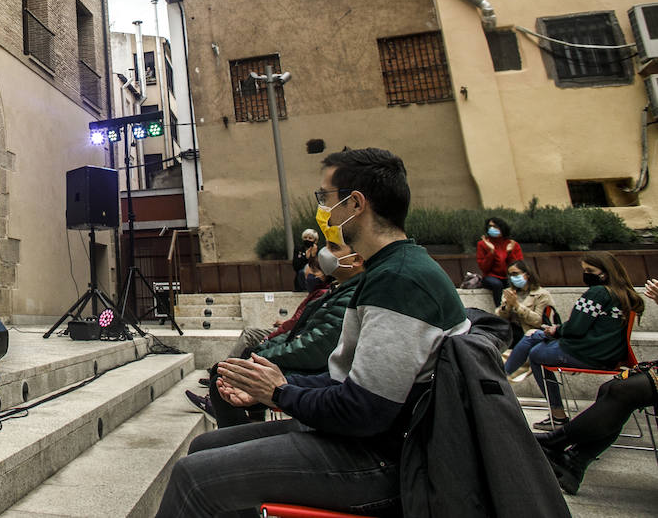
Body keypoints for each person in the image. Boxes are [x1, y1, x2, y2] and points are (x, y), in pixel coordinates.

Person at [155, 148, 470, 518]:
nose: (321, 210)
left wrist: (280, 393)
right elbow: (347, 379)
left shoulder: (400, 281)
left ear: (355, 204)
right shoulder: (385, 272)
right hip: (367, 441)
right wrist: (275, 386)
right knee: (206, 447)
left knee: (193, 476)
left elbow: (365, 410)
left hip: (387, 461)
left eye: (325, 198)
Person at [187, 238, 365, 427]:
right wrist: (265, 349)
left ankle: (240, 433)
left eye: (333, 247)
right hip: (310, 369)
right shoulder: (336, 291)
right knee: (227, 371)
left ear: (356, 260)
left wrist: (265, 357)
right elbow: (297, 330)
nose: (324, 252)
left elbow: (315, 346)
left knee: (225, 377)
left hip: (313, 371)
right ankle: (244, 428)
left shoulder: (349, 294)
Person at [536, 278, 658, 494]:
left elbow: (576, 327)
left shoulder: (601, 294)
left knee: (622, 390)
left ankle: (555, 443)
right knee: (610, 389)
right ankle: (575, 461)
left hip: (591, 352)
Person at [503, 251, 645, 430]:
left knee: (536, 352)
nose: (586, 274)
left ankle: (553, 411)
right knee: (534, 336)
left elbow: (575, 329)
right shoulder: (625, 294)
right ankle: (504, 375)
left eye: (589, 270)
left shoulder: (597, 293)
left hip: (589, 353)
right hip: (608, 353)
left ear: (606, 272)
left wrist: (556, 329)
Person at [497, 258, 555, 352]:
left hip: (529, 333)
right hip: (509, 332)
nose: (512, 277)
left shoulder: (542, 294)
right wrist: (507, 306)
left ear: (527, 274)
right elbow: (501, 317)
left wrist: (517, 305)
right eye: (510, 275)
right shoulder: (509, 292)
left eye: (515, 274)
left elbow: (538, 321)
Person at [476, 215, 523, 307]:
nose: (492, 229)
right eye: (490, 226)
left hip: (508, 276)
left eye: (495, 226)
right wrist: (492, 252)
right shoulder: (483, 244)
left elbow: (518, 266)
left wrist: (509, 253)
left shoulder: (512, 244)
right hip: (491, 277)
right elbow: (484, 268)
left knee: (513, 284)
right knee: (496, 284)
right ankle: (500, 311)